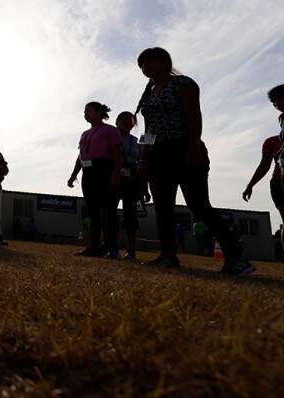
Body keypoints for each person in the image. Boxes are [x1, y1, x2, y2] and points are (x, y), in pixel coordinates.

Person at [134, 47, 255, 276]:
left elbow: (194, 115)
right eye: (142, 64)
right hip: (159, 154)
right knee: (162, 207)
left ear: (165, 62)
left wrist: (192, 147)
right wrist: (143, 159)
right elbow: (149, 130)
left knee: (198, 204)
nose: (145, 67)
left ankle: (237, 257)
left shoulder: (183, 83)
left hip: (184, 147)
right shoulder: (149, 94)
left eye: (150, 61)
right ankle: (168, 256)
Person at [68, 102, 122, 258]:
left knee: (109, 211)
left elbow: (117, 152)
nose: (86, 114)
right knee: (93, 212)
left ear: (99, 112)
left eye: (89, 111)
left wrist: (116, 173)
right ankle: (93, 247)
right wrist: (74, 174)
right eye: (84, 111)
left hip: (104, 168)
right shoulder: (84, 134)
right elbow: (81, 156)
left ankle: (113, 249)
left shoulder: (110, 130)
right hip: (88, 171)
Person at [242, 85, 284, 228]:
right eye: (273, 101)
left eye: (279, 98)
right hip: (279, 182)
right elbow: (264, 166)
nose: (276, 104)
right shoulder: (271, 142)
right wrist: (250, 185)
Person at [115, 111, 146, 260]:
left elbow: (142, 164)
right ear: (117, 121)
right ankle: (110, 247)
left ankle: (131, 250)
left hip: (132, 180)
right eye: (124, 119)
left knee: (131, 215)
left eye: (131, 120)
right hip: (113, 177)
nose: (127, 122)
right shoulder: (111, 137)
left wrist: (144, 187)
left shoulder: (137, 141)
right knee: (109, 213)